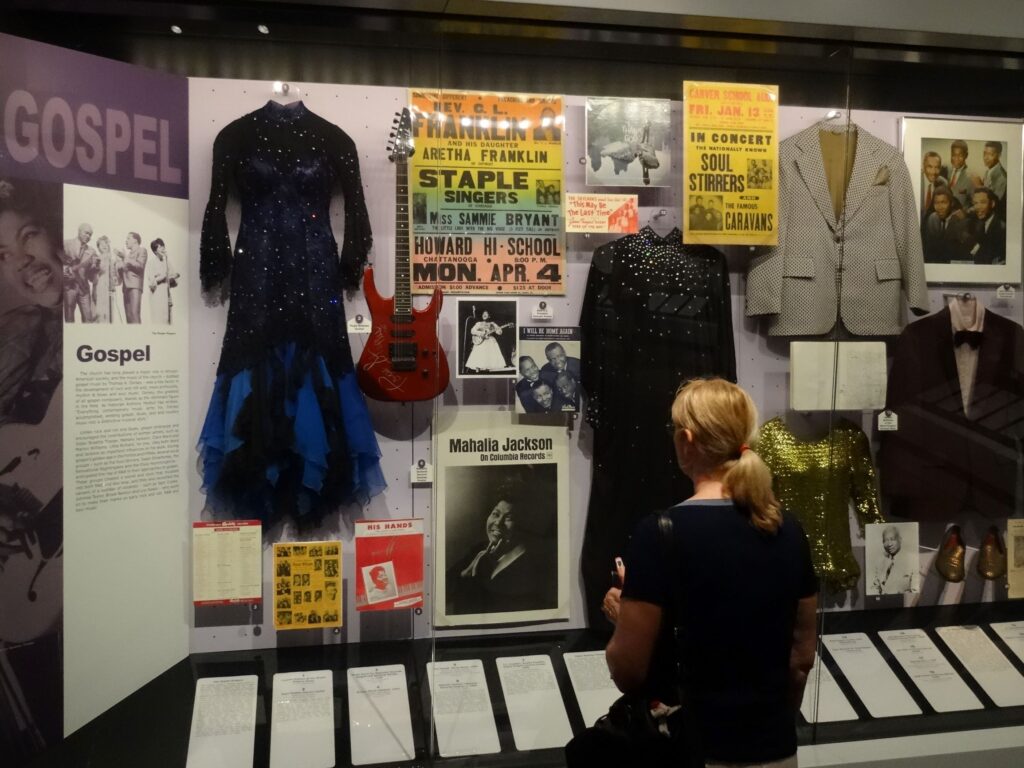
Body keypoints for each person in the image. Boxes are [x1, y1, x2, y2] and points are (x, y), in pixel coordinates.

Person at [600, 378, 818, 768]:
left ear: (686, 440)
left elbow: (628, 670)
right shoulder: (788, 529)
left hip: (693, 749)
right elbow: (801, 658)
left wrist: (621, 613)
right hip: (776, 749)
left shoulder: (660, 534)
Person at [447, 478, 557, 615]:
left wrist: (478, 575)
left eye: (508, 517)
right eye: (495, 514)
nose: (498, 523)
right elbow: (443, 592)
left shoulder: (536, 566)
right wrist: (465, 574)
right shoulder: (478, 550)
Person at [62, 222, 97, 323]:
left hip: (84, 289)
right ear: (79, 231)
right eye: (86, 233)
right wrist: (63, 270)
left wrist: (95, 267)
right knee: (69, 319)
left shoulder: (92, 251)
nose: (88, 236)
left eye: (90, 234)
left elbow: (91, 276)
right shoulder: (65, 244)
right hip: (69, 288)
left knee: (88, 319)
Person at [922, 187, 967, 264]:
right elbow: (929, 249)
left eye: (944, 202)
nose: (940, 207)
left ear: (951, 203)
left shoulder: (959, 220)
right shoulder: (933, 218)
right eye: (936, 203)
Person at [870, 525, 916, 595]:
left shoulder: (912, 560)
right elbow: (875, 587)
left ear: (900, 540)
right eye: (885, 540)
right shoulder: (880, 562)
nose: (889, 544)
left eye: (892, 539)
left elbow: (915, 592)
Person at [965, 187, 1005, 265]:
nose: (978, 207)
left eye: (983, 202)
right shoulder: (975, 223)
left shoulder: (1002, 229)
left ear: (992, 204)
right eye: (975, 203)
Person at [147, 237, 179, 325]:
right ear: (155, 251)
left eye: (163, 246)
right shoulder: (151, 263)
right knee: (159, 321)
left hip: (167, 295)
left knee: (168, 321)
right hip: (157, 296)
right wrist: (162, 277)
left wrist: (173, 277)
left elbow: (174, 280)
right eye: (160, 247)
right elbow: (151, 283)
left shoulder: (167, 262)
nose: (163, 248)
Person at [121, 232, 147, 323]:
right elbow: (124, 270)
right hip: (125, 287)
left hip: (135, 286)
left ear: (135, 240)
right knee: (128, 317)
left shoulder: (142, 250)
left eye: (128, 238)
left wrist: (126, 259)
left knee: (134, 314)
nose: (126, 240)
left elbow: (140, 266)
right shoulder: (127, 255)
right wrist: (119, 263)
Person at [946, 140, 974, 211]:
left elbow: (977, 204)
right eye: (953, 155)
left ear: (966, 155)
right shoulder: (945, 170)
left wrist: (965, 213)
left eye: (960, 155)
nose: (956, 159)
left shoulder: (971, 178)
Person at [920, 151, 947, 219]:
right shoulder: (916, 179)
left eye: (937, 167)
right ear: (923, 166)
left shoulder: (943, 183)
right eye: (930, 167)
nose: (933, 172)